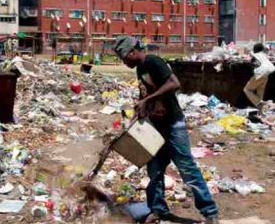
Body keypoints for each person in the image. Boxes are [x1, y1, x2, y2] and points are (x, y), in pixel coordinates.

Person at [113, 36, 219, 224]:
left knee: (187, 169)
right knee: (154, 171)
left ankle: (210, 213)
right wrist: (142, 108)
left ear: (132, 52)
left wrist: (148, 100)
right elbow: (146, 93)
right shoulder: (140, 68)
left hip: (172, 125)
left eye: (124, 58)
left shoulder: (153, 61)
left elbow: (173, 83)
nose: (124, 62)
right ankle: (159, 210)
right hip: (157, 126)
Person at [244, 43, 275, 107]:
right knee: (260, 93)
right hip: (267, 74)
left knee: (247, 89)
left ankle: (259, 103)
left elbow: (248, 61)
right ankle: (261, 109)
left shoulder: (254, 54)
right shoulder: (264, 54)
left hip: (260, 74)